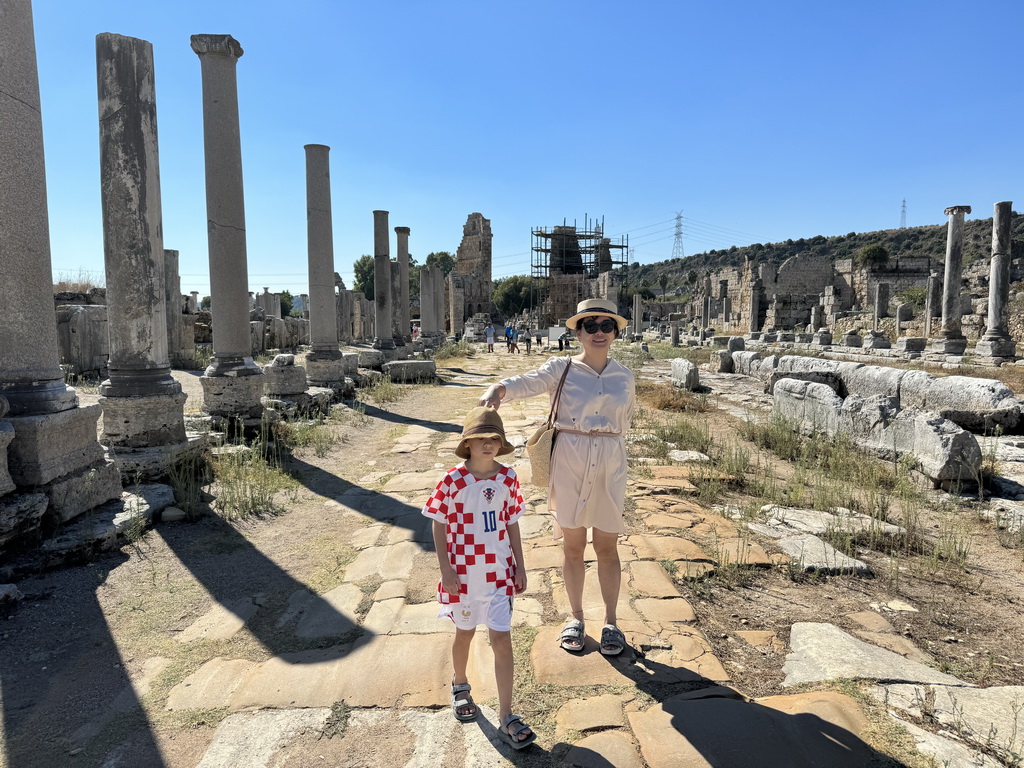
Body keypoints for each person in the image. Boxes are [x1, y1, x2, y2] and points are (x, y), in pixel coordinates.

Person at [478, 298, 635, 657]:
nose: (598, 332)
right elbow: (528, 382)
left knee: (608, 546)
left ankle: (611, 622)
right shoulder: (561, 368)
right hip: (570, 458)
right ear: (578, 331)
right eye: (590, 326)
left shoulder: (624, 375)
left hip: (610, 461)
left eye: (606, 326)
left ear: (615, 332)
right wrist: (499, 389)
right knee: (573, 545)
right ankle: (576, 617)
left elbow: (626, 419)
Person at [422, 406, 536, 749]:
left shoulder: (508, 478)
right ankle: (460, 683)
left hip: (499, 575)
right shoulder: (453, 480)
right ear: (467, 443)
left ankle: (506, 715)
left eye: (494, 438)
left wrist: (519, 564)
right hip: (465, 577)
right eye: (480, 438)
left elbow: (511, 522)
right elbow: (438, 522)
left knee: (502, 640)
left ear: (500, 444)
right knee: (466, 633)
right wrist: (446, 569)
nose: (487, 444)